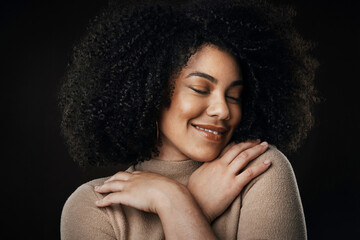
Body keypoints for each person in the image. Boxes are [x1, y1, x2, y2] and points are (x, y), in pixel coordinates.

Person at [59, 0, 318, 239]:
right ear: (151, 91)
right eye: (200, 89)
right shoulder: (95, 206)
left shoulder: (256, 169)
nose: (223, 110)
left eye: (235, 95)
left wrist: (176, 203)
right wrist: (188, 206)